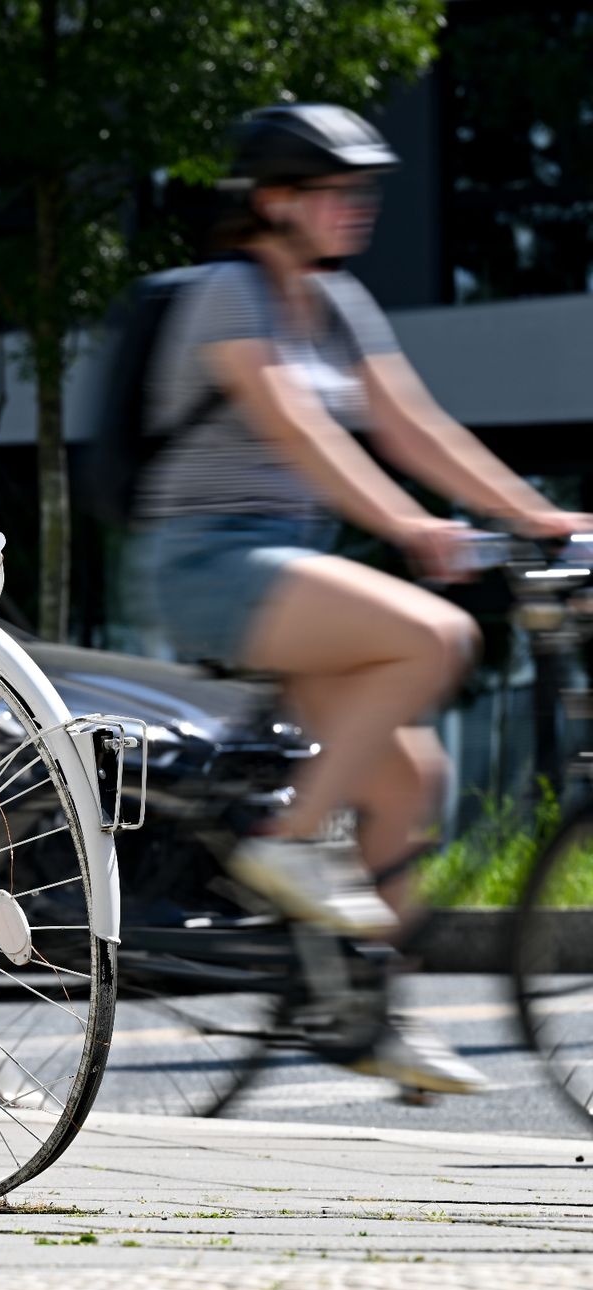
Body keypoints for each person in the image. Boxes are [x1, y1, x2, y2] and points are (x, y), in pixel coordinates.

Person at [127, 104, 590, 1094]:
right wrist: (411, 527)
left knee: (411, 777)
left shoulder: (336, 305)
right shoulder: (228, 293)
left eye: (360, 188)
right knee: (434, 635)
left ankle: (373, 1010)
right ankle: (289, 839)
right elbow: (299, 431)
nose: (357, 205)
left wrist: (538, 516)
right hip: (206, 562)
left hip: (288, 571)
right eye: (334, 190)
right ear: (274, 200)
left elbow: (413, 424)